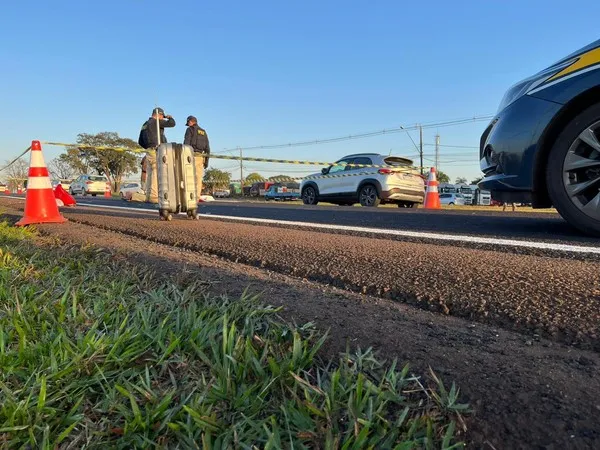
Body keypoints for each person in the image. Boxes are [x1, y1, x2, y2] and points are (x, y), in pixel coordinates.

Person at [138, 107, 176, 203]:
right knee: (156, 172)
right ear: (158, 115)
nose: (163, 119)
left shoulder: (145, 124)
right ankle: (154, 196)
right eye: (162, 116)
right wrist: (169, 117)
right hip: (156, 150)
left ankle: (149, 196)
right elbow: (172, 124)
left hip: (149, 150)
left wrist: (147, 147)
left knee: (150, 173)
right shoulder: (156, 122)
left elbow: (140, 141)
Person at [183, 115, 210, 199]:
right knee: (198, 178)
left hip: (191, 156)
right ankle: (197, 196)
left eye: (188, 123)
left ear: (190, 122)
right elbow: (207, 148)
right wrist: (206, 162)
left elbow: (186, 144)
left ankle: (188, 196)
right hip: (201, 157)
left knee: (188, 176)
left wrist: (184, 156)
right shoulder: (203, 132)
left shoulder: (190, 129)